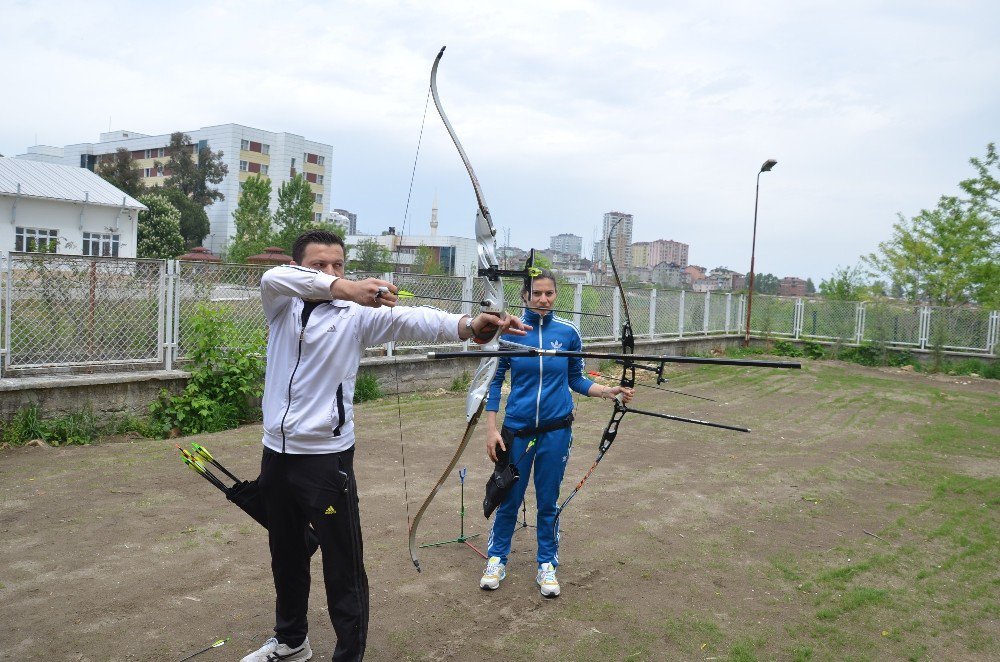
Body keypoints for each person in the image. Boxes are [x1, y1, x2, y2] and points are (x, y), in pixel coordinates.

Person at [242, 229, 529, 662]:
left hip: (326, 458)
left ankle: (348, 656)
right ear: (300, 267)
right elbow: (275, 278)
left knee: (343, 565)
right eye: (319, 265)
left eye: (338, 265)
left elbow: (412, 319)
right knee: (286, 553)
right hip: (277, 454)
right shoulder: (281, 303)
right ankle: (290, 642)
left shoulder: (355, 315)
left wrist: (470, 326)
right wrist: (348, 287)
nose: (331, 272)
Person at [479, 269, 633, 597]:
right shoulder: (508, 333)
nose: (543, 299)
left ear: (555, 295)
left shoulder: (568, 334)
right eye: (536, 293)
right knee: (509, 498)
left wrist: (609, 391)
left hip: (555, 431)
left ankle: (546, 564)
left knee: (548, 501)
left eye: (549, 293)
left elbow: (576, 378)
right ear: (524, 296)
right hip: (517, 431)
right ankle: (496, 558)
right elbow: (493, 381)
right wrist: (492, 429)